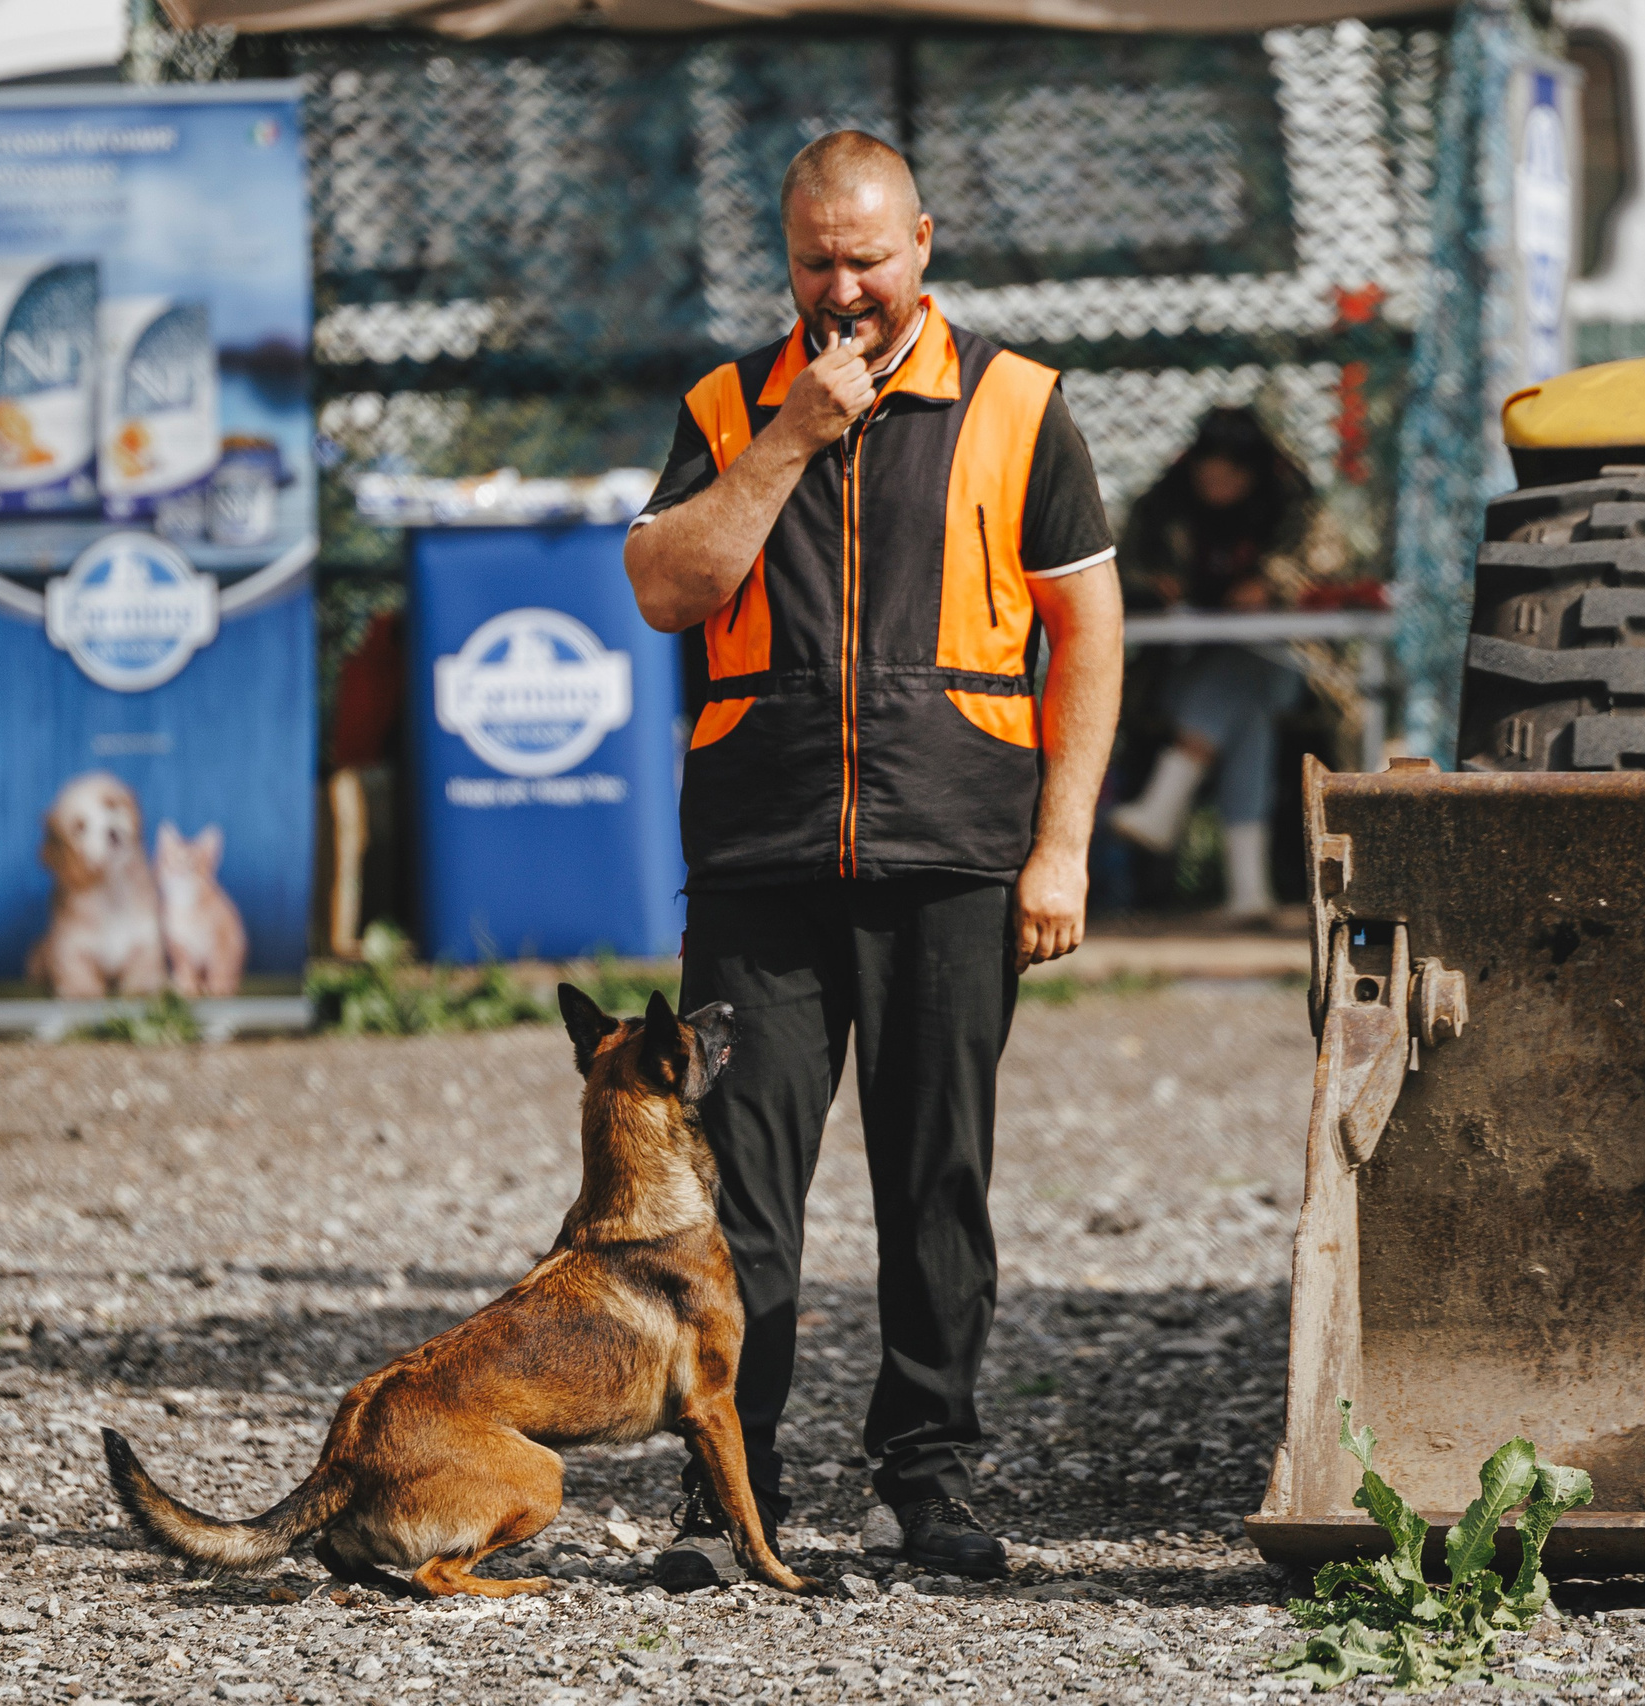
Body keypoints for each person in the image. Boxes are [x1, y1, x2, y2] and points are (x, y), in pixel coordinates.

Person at [624, 131, 1122, 1589]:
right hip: (761, 860)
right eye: (813, 264)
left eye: (865, 260)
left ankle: (930, 1472)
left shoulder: (1019, 406)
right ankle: (731, 1489)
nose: (841, 291)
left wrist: (1060, 849)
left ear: (922, 244)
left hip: (953, 851)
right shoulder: (729, 405)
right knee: (738, 1195)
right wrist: (789, 436)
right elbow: (665, 588)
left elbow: (1088, 634)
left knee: (935, 1182)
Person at [1104, 406, 1313, 919]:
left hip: (1285, 666)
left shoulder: (1292, 508)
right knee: (1247, 712)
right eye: (1208, 474)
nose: (1216, 486)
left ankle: (1164, 805)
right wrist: (1155, 587)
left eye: (1230, 476)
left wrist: (1273, 585)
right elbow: (1120, 573)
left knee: (1246, 669)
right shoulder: (1160, 508)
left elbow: (1322, 569)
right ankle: (1249, 892)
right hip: (1179, 671)